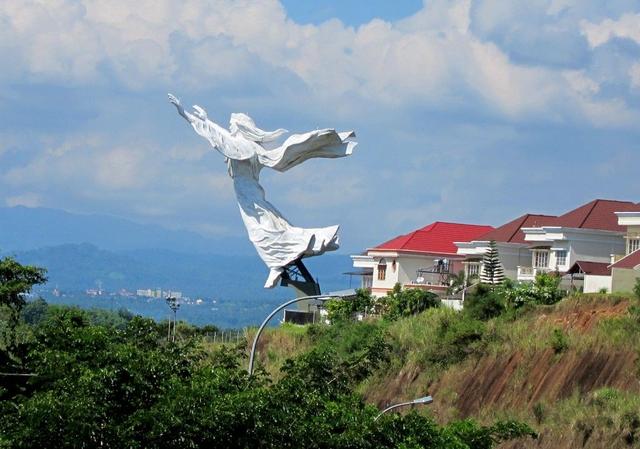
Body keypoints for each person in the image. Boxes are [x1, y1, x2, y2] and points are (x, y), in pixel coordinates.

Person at [168, 94, 357, 288]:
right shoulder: (248, 146)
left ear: (240, 128)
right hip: (249, 194)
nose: (230, 129)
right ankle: (287, 258)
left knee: (261, 231)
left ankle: (284, 260)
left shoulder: (242, 147)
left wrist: (185, 114)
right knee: (271, 227)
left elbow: (218, 139)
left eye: (232, 126)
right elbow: (220, 135)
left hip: (249, 195)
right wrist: (206, 120)